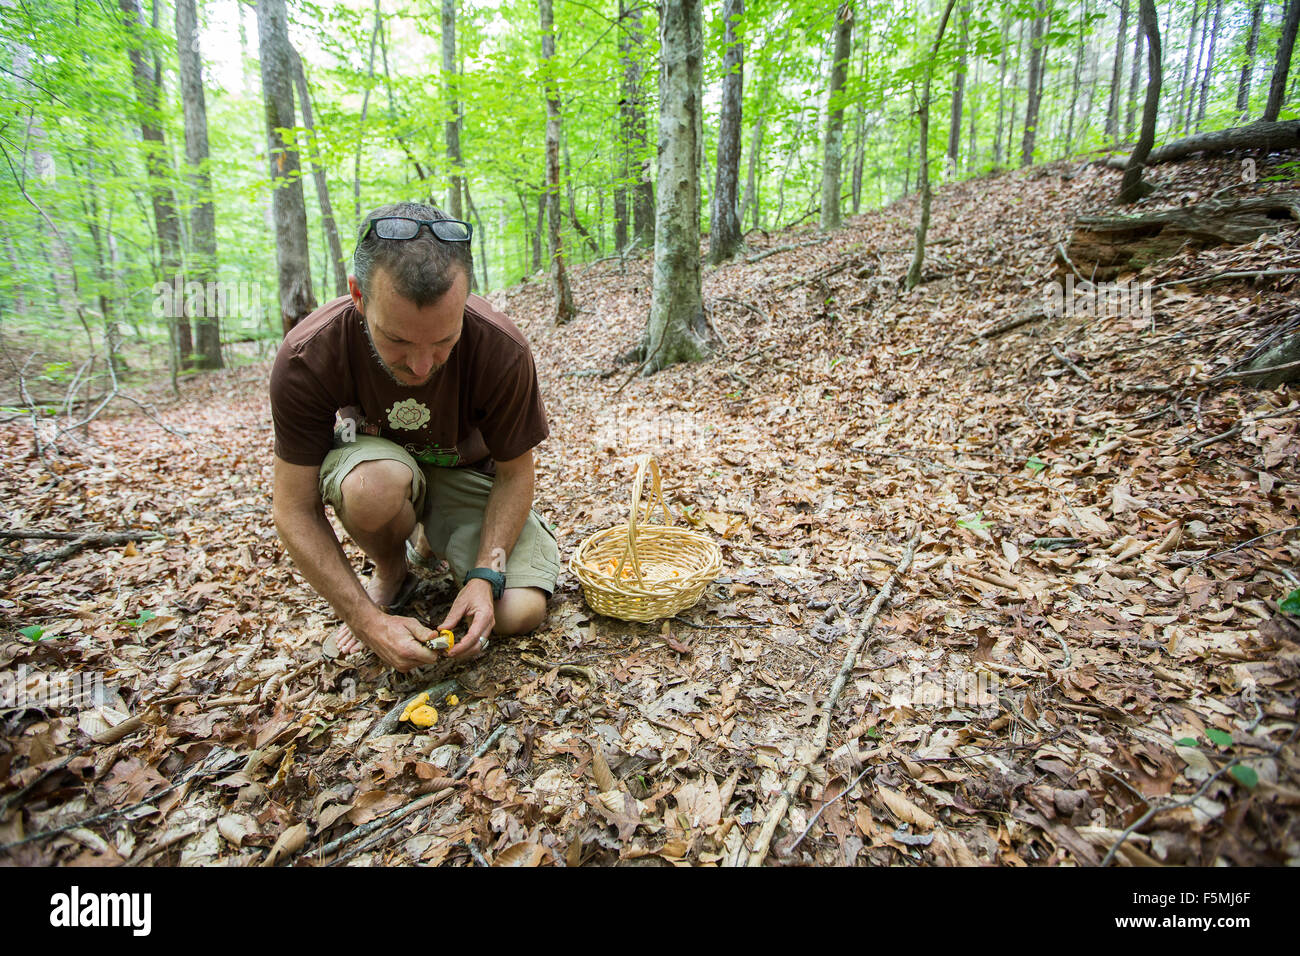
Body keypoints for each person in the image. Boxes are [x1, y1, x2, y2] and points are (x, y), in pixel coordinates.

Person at [269, 201, 559, 672]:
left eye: (445, 339)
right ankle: (393, 570)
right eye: (398, 341)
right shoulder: (308, 356)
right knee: (371, 488)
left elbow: (514, 475)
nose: (422, 366)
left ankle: (432, 534)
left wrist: (486, 576)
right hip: (376, 465)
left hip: (463, 471)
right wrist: (365, 620)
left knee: (518, 611)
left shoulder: (502, 349)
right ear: (358, 296)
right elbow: (293, 508)